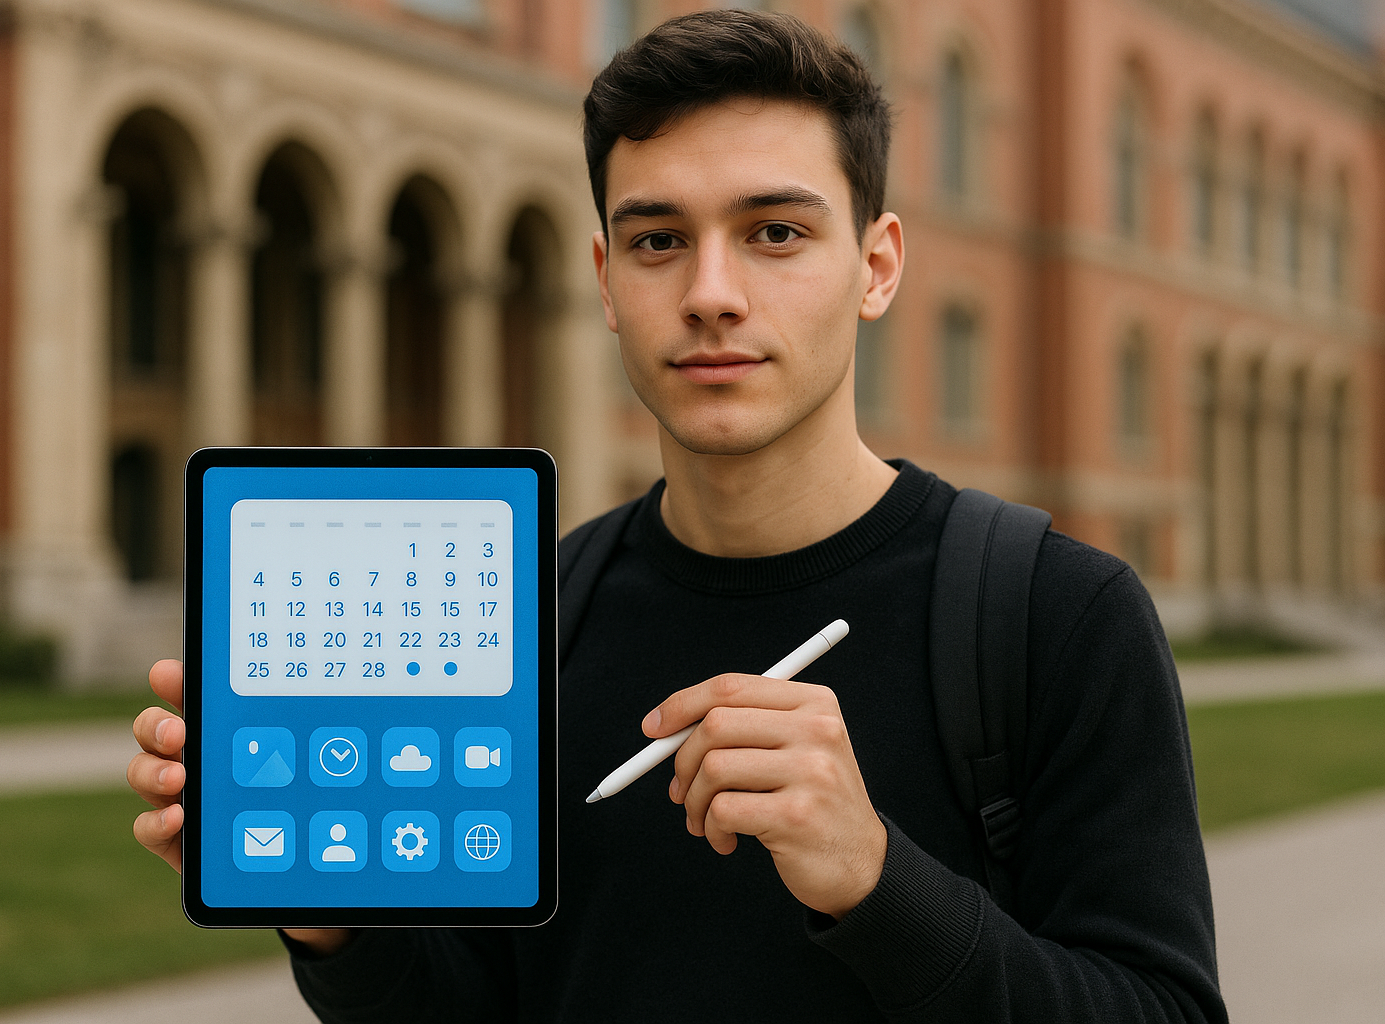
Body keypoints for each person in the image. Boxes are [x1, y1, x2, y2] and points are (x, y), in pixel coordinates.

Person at [129, 11, 1226, 1021]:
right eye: (658, 241)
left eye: (775, 234)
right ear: (607, 280)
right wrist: (329, 908)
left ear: (877, 266)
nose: (711, 291)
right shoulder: (533, 617)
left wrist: (877, 880)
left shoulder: (1057, 615)